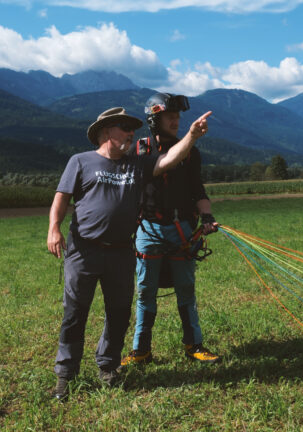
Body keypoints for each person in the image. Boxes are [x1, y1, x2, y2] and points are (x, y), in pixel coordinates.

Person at [47, 106, 212, 401]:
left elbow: (169, 160)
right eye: (124, 128)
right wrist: (54, 228)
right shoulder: (80, 161)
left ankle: (108, 366)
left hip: (122, 251)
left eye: (132, 128)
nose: (131, 134)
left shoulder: (136, 164)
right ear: (106, 132)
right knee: (75, 314)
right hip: (83, 250)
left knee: (119, 313)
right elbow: (62, 197)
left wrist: (191, 136)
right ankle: (66, 375)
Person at [121, 93, 220, 367]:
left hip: (183, 231)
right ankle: (141, 350)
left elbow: (197, 190)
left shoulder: (190, 153)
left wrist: (207, 215)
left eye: (178, 116)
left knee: (186, 290)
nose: (176, 121)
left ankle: (194, 346)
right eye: (170, 116)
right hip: (148, 230)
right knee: (145, 291)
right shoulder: (138, 150)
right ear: (155, 120)